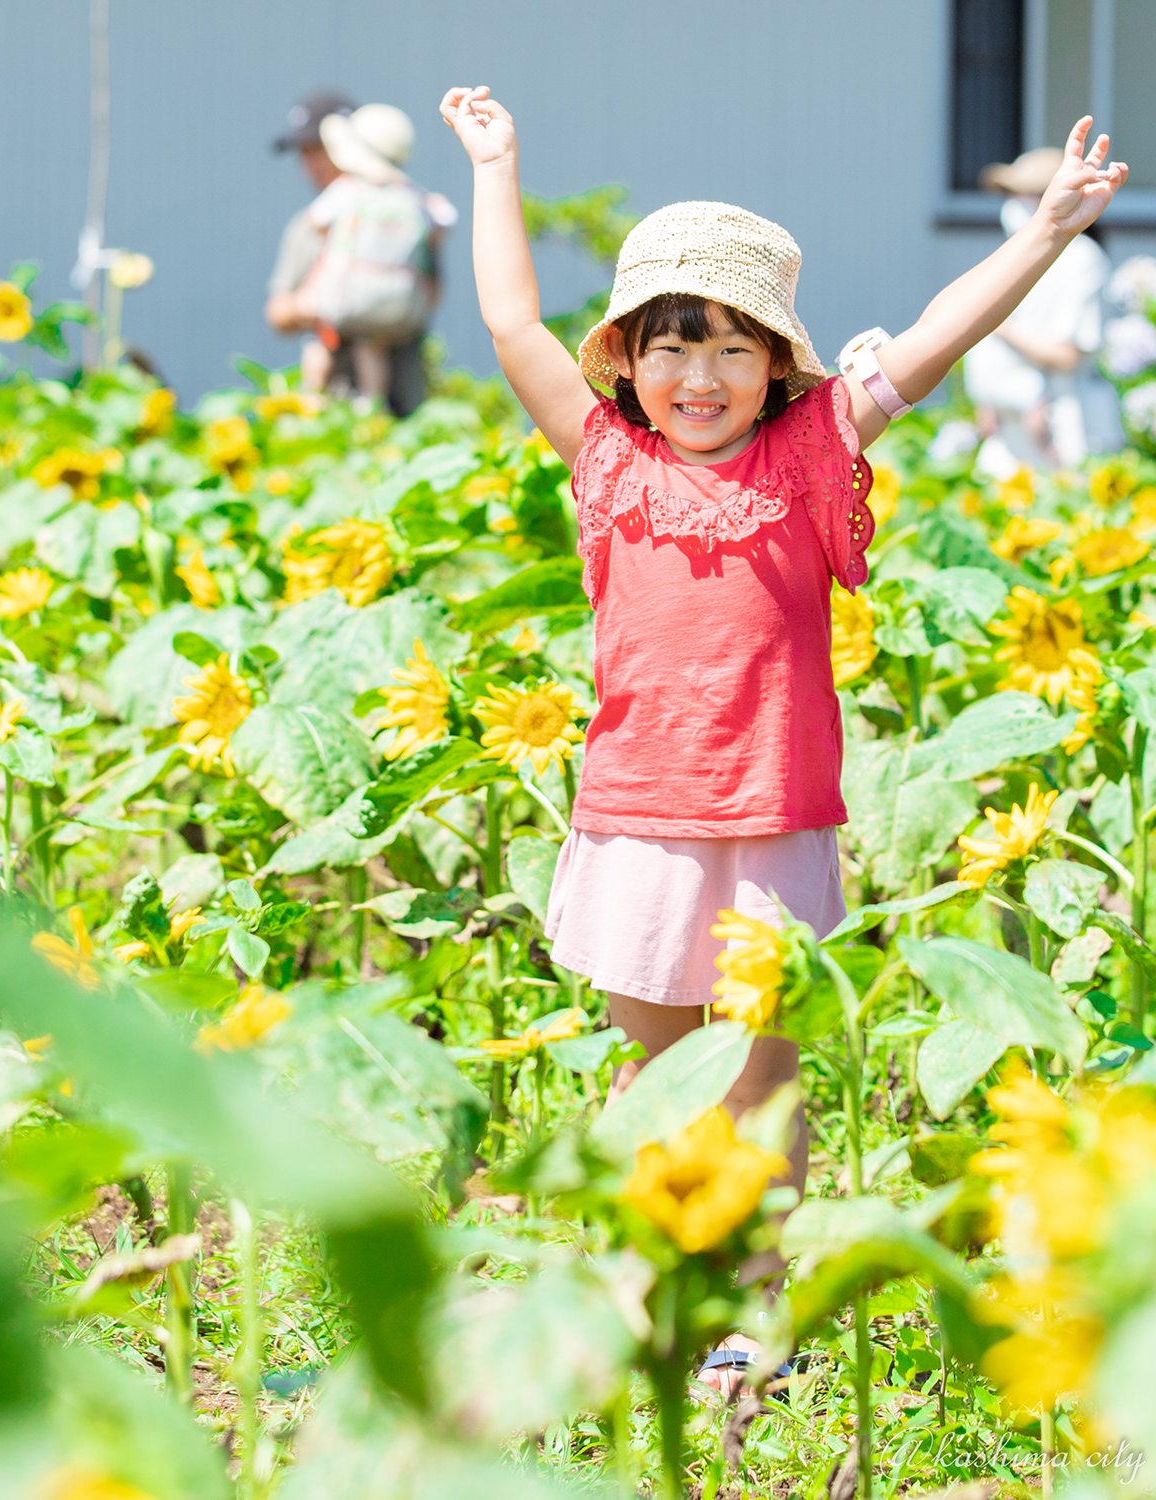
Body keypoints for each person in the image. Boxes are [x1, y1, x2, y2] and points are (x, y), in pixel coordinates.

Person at [440, 84, 1126, 1393]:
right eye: (671, 348)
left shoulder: (810, 452)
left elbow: (930, 340)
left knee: (760, 1081)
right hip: (639, 816)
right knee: (653, 1084)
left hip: (769, 820)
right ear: (630, 363)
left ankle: (760, 1320)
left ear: (776, 363)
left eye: (729, 349)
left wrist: (1042, 238)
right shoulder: (605, 457)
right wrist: (497, 162)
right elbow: (508, 320)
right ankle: (658, 1294)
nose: (699, 378)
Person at [266, 93, 453, 415]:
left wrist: (325, 303)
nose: (308, 165)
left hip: (335, 406)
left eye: (316, 150)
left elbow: (279, 314)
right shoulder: (415, 205)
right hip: (408, 399)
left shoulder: (314, 220)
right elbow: (433, 294)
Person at [964, 146, 1124, 476]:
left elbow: (1068, 354)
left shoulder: (1082, 259)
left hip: (1062, 427)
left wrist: (998, 324)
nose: (1012, 204)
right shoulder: (1012, 255)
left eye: (1022, 193)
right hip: (1010, 433)